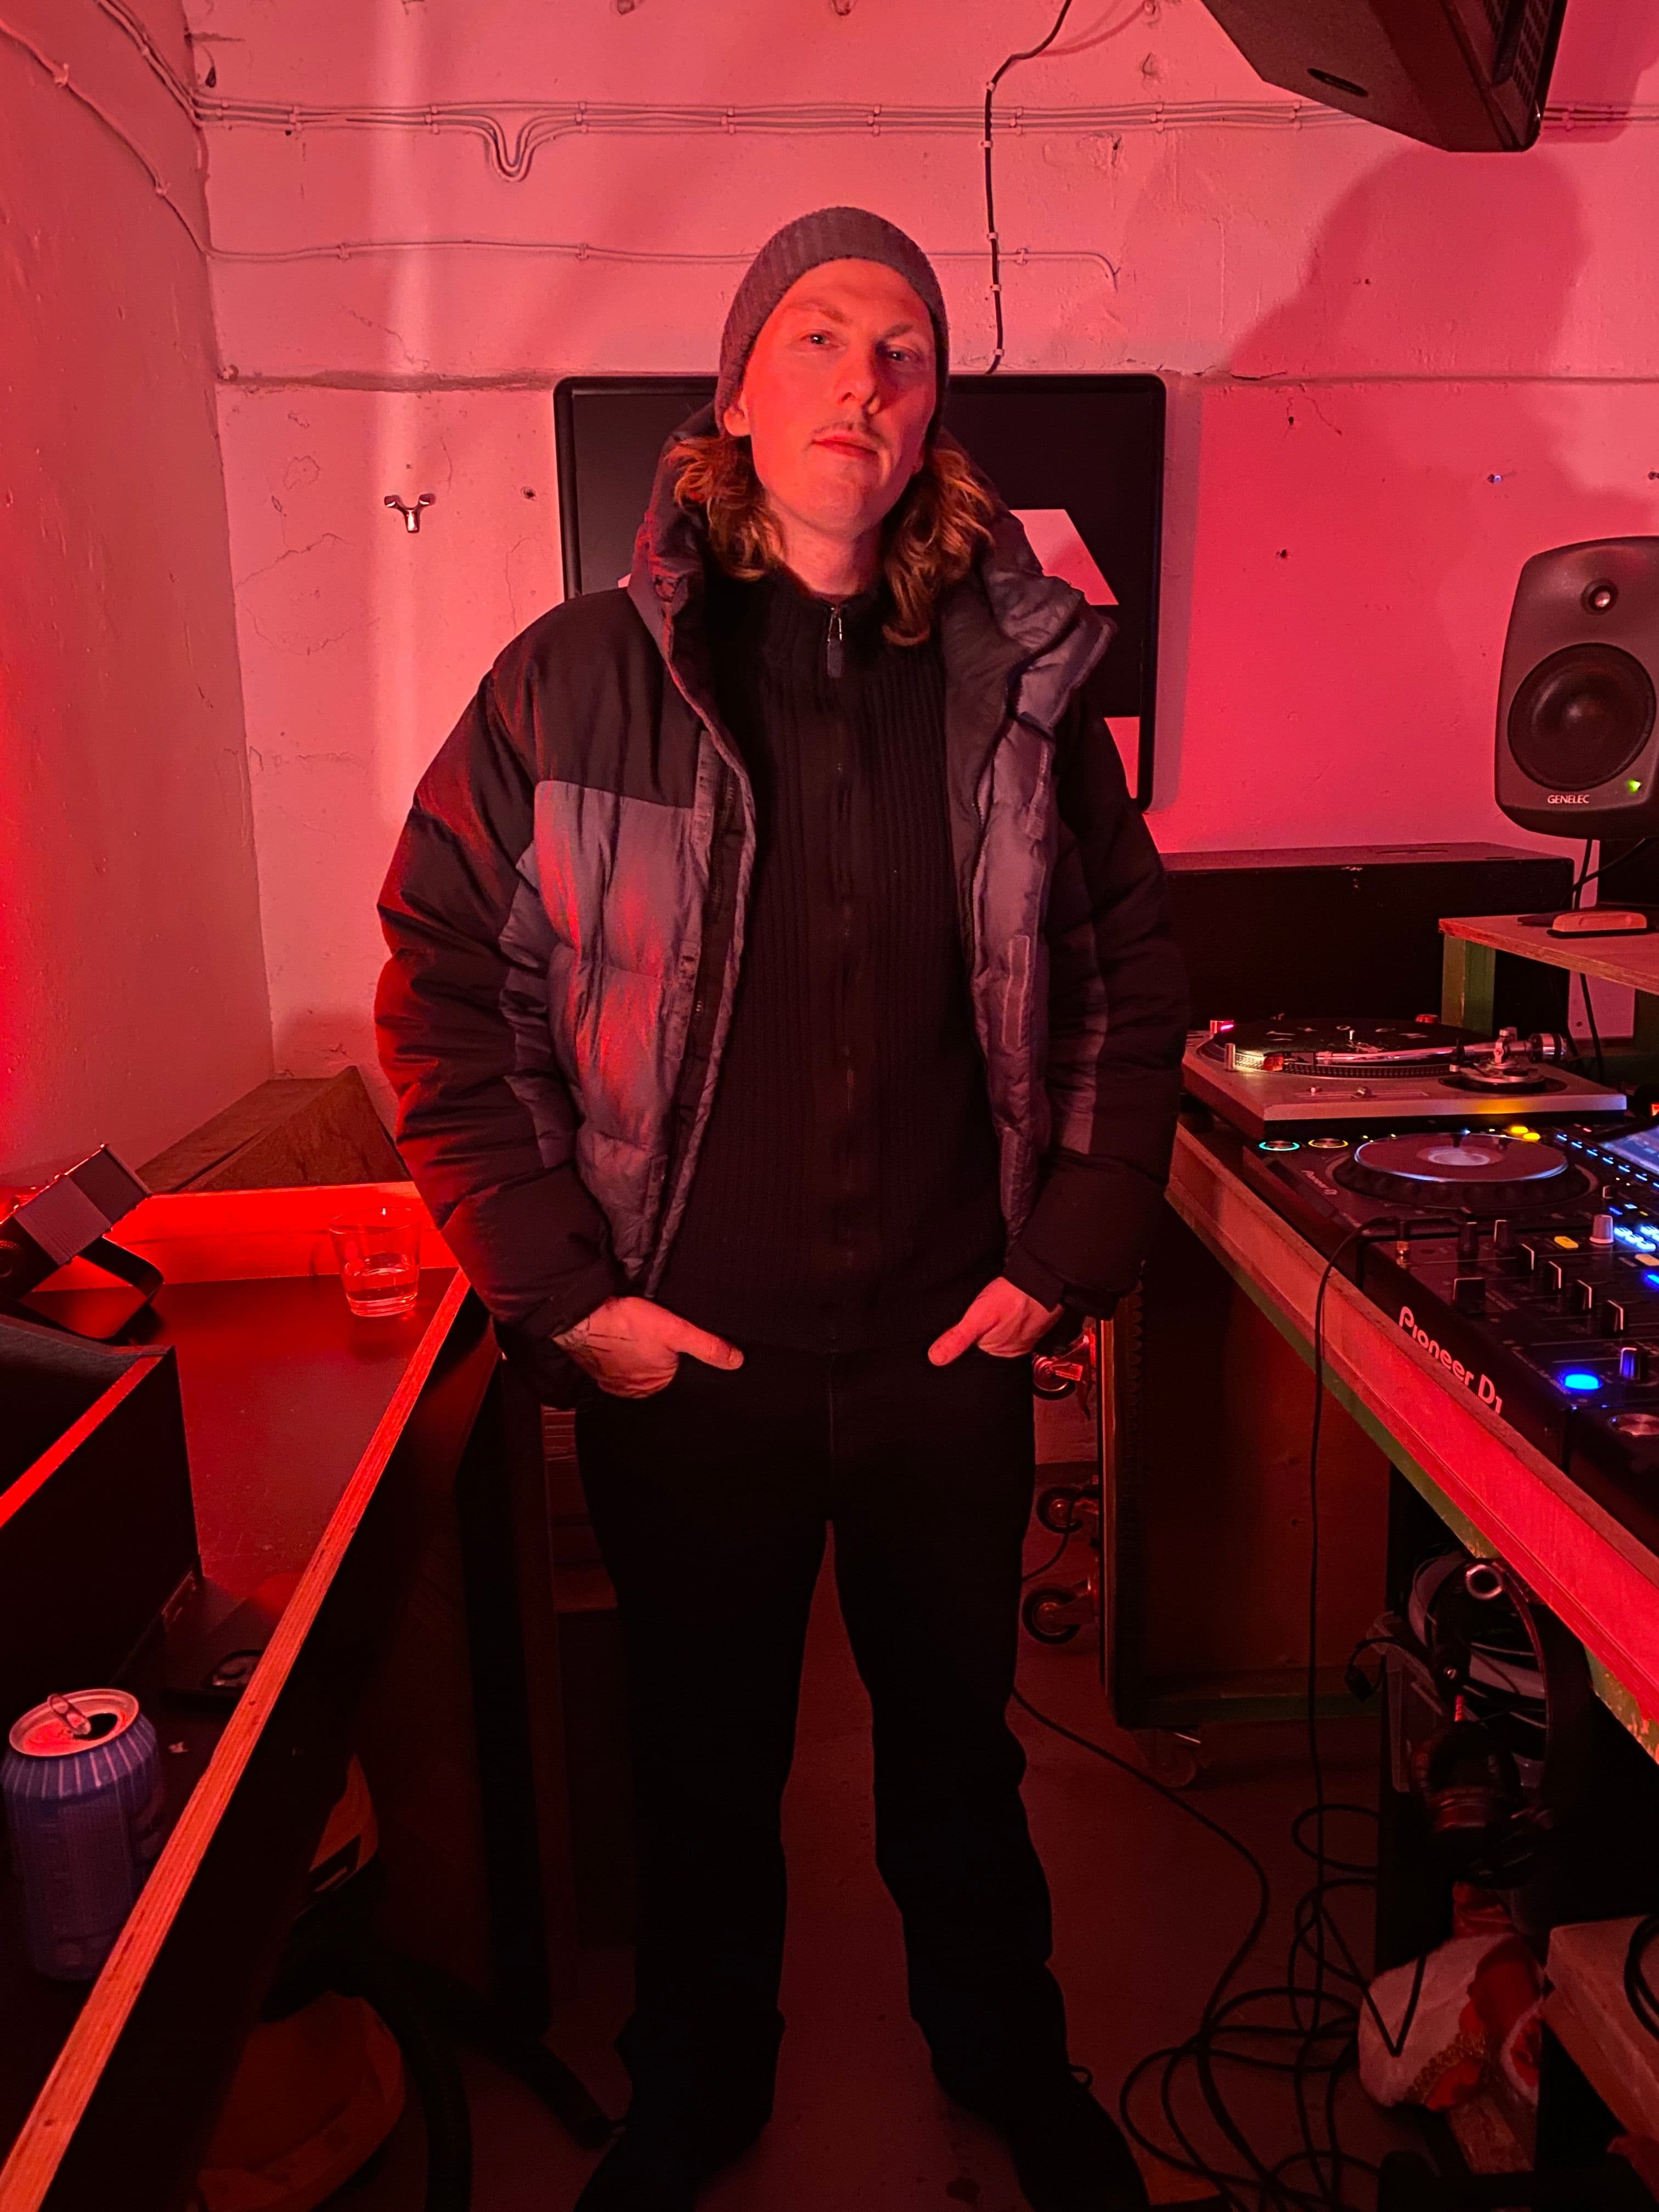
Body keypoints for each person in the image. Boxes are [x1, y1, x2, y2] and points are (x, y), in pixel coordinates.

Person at [377, 206, 1188, 2212]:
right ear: (736, 396)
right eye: (816, 336)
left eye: (902, 347)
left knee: (962, 1767)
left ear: (933, 416)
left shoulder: (1016, 693)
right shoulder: (572, 683)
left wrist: (1060, 1267)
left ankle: (1008, 2064)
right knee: (701, 1768)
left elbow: (1124, 982)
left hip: (945, 1354)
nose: (863, 380)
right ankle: (697, 2088)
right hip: (692, 1365)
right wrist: (566, 1297)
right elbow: (443, 990)